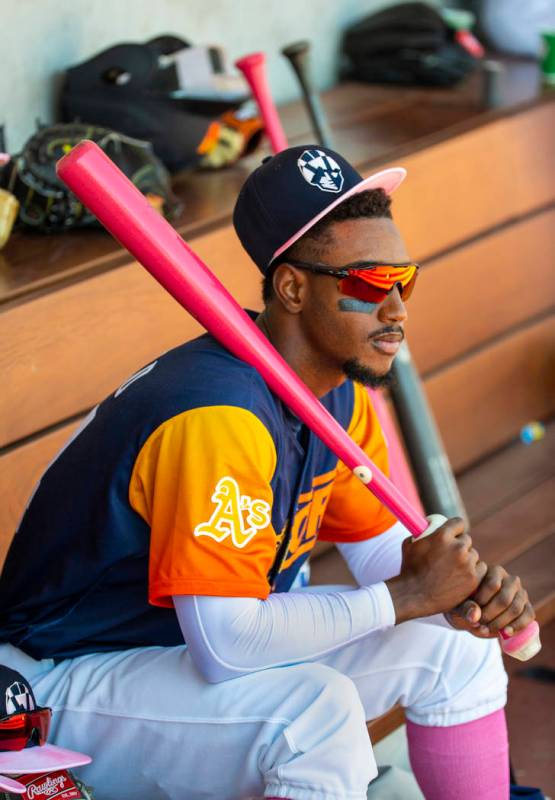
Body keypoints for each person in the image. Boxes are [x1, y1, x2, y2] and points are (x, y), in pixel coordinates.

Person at [0, 146, 536, 800]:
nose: (395, 309)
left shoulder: (338, 392)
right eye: (368, 284)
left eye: (403, 279)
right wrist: (406, 597)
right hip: (57, 682)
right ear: (292, 288)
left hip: (172, 656)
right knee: (313, 714)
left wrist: (456, 595)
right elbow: (227, 646)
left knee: (452, 650)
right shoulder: (215, 414)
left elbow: (384, 565)